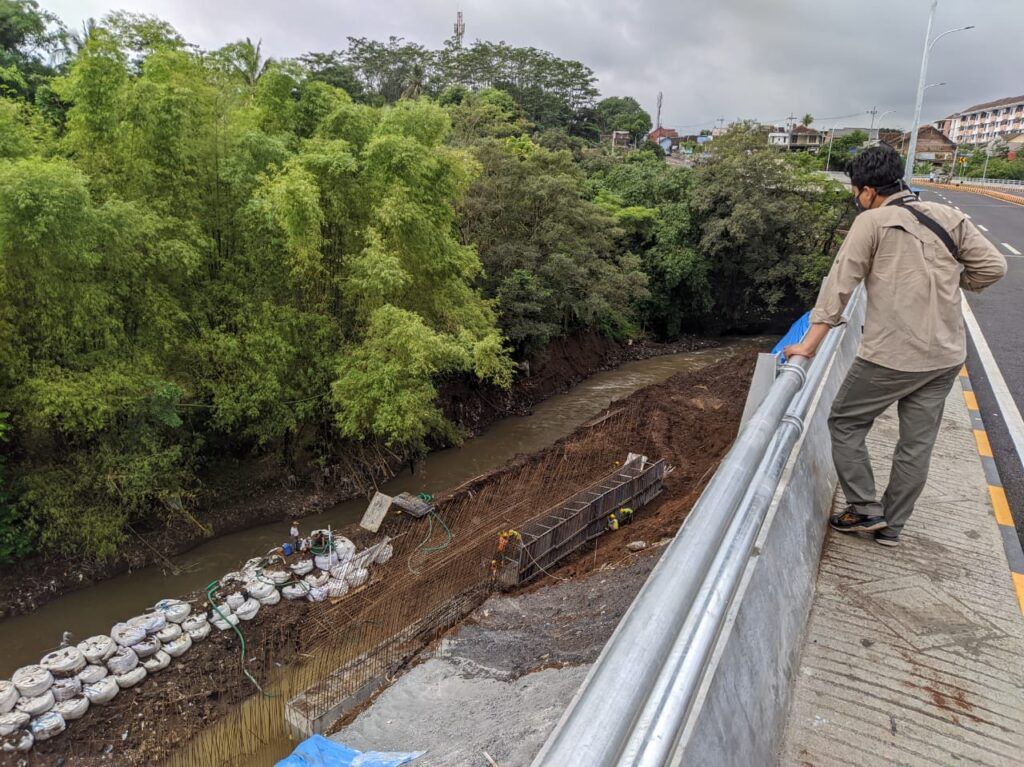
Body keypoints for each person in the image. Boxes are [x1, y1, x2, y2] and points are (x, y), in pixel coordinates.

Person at [784, 144, 1005, 547]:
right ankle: (893, 526)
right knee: (916, 444)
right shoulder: (949, 217)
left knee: (845, 422)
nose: (856, 199)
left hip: (892, 356)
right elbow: (993, 266)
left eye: (856, 191)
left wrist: (808, 345)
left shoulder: (872, 223)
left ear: (868, 190)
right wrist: (952, 282)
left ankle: (864, 507)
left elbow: (838, 288)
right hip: (946, 356)